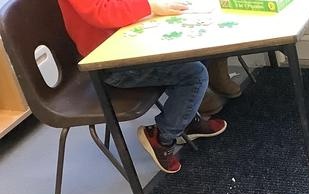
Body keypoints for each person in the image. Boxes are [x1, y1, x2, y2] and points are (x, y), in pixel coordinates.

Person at [57, 0, 227, 174]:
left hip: (129, 38)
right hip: (110, 61)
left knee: (198, 48)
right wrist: (149, 6)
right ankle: (162, 137)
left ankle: (184, 120)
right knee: (195, 75)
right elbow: (100, 11)